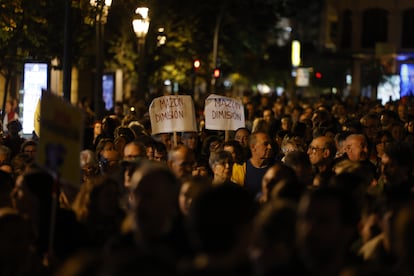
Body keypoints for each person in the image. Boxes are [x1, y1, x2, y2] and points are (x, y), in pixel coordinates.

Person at [232, 131, 274, 198]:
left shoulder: (277, 169)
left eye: (270, 144)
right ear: (253, 147)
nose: (270, 147)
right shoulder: (239, 169)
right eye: (265, 144)